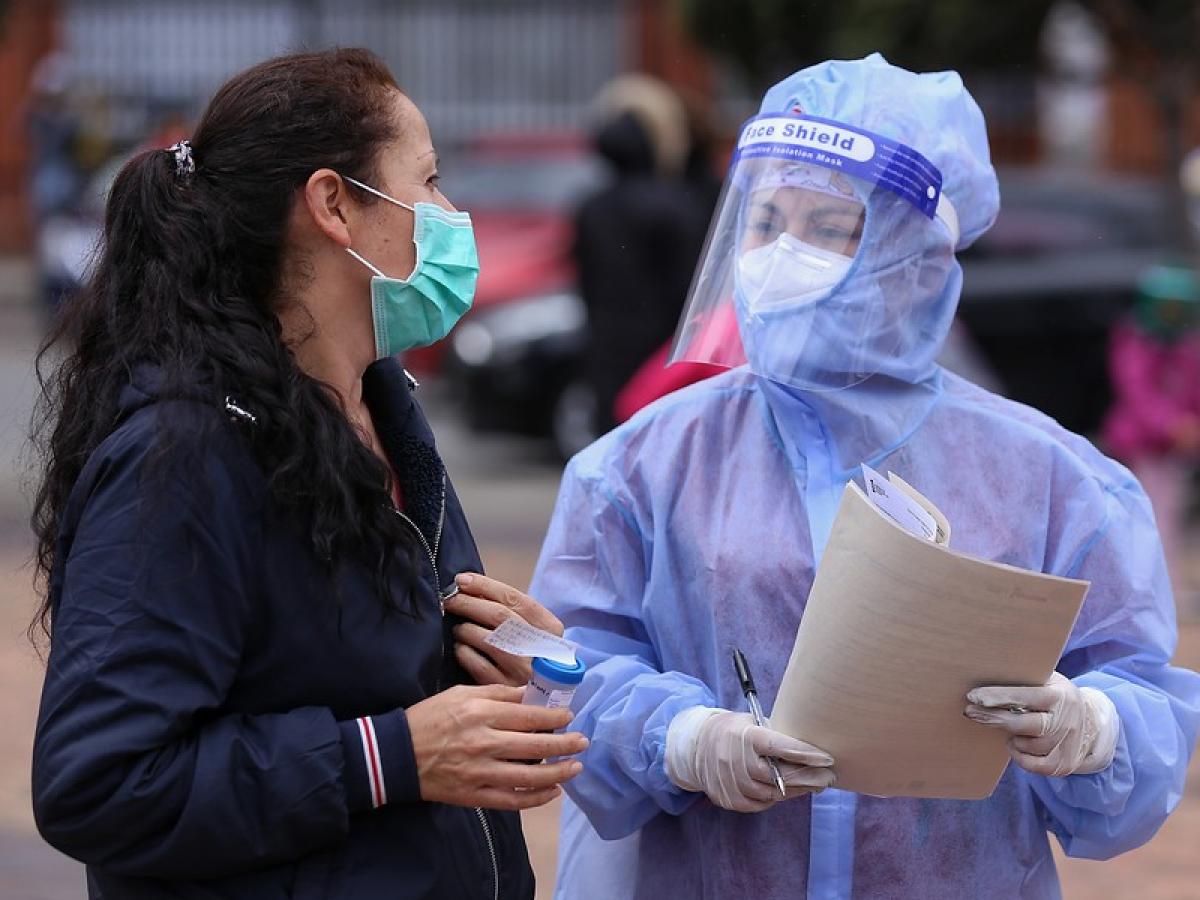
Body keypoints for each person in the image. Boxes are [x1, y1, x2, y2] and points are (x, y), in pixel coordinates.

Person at [530, 54, 1200, 898]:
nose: (782, 253)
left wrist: (1093, 726)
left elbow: (1139, 709)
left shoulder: (1055, 479)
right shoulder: (638, 466)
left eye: (828, 226)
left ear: (915, 255)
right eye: (765, 220)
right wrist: (683, 739)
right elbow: (567, 667)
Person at [29, 49, 586, 900]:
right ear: (333, 205)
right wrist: (389, 757)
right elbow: (100, 782)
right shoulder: (184, 453)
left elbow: (347, 676)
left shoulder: (380, 408)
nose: (450, 215)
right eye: (429, 181)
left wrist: (495, 659)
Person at [573, 74, 715, 436]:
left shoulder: (593, 207)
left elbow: (585, 285)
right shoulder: (679, 204)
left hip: (609, 357)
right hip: (663, 359)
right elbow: (692, 294)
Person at [1103, 264, 1200, 600]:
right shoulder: (1136, 340)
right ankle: (1155, 588)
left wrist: (1188, 422)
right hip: (1141, 445)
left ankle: (1167, 585)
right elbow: (1137, 393)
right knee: (1152, 515)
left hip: (1174, 451)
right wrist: (1170, 424)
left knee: (1172, 512)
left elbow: (1192, 390)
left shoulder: (1187, 345)